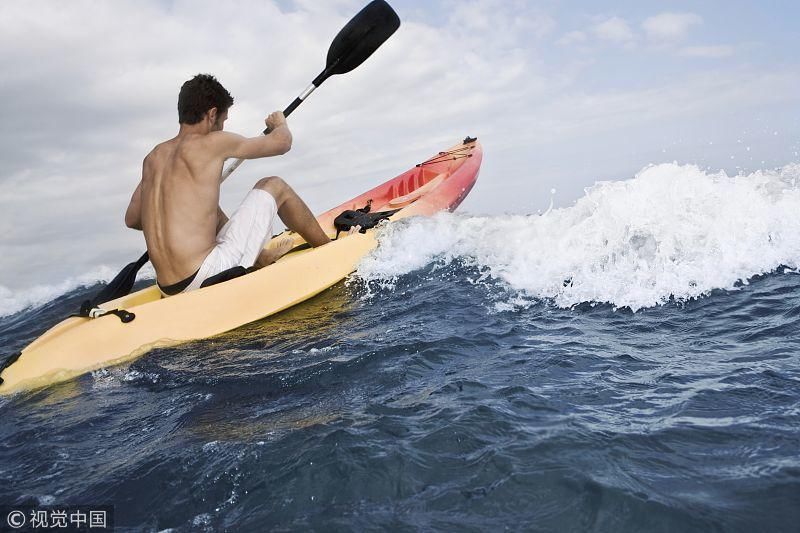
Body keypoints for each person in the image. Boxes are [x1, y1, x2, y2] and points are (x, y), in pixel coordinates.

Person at [124, 74, 333, 297]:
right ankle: (329, 250)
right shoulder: (212, 142)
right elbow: (282, 143)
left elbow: (133, 220)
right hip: (206, 277)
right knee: (273, 185)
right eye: (223, 120)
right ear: (212, 114)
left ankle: (260, 257)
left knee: (211, 211)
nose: (223, 126)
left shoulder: (153, 157)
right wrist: (279, 123)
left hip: (167, 288)